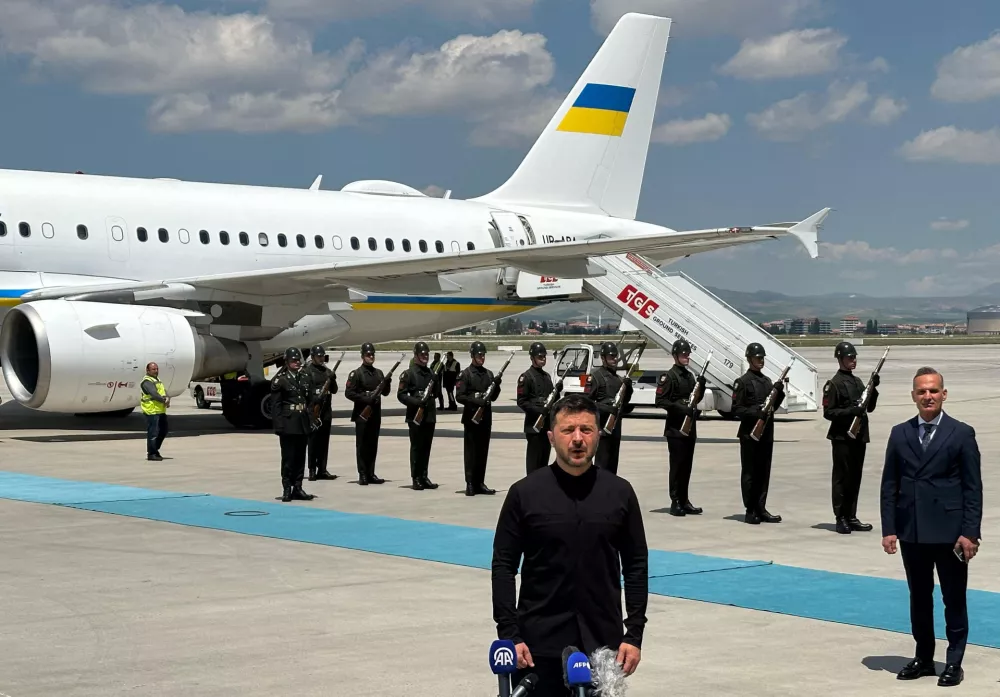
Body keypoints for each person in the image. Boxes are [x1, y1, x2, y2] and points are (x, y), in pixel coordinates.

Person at [491, 393, 649, 697]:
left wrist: (634, 635)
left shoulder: (620, 493)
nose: (578, 439)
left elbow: (636, 566)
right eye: (568, 430)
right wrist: (510, 634)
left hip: (602, 647)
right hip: (538, 647)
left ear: (598, 435)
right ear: (552, 437)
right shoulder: (525, 493)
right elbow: (503, 567)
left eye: (586, 430)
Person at [880, 367, 982, 687]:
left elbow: (972, 488)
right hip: (913, 531)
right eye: (922, 391)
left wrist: (970, 532)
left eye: (933, 391)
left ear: (944, 394)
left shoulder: (961, 433)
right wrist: (889, 528)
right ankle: (924, 657)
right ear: (913, 396)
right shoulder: (900, 433)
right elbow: (889, 484)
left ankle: (954, 662)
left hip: (950, 533)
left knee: (954, 598)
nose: (928, 396)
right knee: (919, 598)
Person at [823, 341, 878, 534]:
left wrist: (874, 388)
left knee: (855, 477)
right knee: (842, 478)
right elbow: (829, 413)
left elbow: (869, 407)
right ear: (840, 359)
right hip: (842, 437)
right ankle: (841, 517)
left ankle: (851, 516)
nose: (854, 360)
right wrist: (850, 412)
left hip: (859, 436)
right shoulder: (834, 384)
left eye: (855, 357)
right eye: (850, 357)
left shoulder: (858, 382)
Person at [731, 342, 784, 524]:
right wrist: (756, 413)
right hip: (749, 434)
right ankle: (750, 509)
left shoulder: (766, 381)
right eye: (757, 358)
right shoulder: (742, 382)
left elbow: (772, 407)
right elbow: (736, 409)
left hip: (766, 433)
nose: (761, 360)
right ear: (749, 359)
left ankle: (761, 508)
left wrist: (779, 393)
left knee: (763, 472)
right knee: (750, 472)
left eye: (762, 358)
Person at [654, 339, 704, 516]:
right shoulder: (669, 376)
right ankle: (675, 501)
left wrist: (702, 386)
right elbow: (660, 401)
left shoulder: (689, 376)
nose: (687, 356)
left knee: (687, 466)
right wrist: (680, 408)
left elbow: (695, 399)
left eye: (688, 354)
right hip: (675, 429)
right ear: (675, 355)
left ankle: (684, 500)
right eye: (683, 354)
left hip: (689, 428)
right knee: (677, 466)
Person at [455, 341, 501, 496]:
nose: (482, 357)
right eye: (479, 355)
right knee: (471, 452)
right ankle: (470, 482)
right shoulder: (465, 374)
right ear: (473, 355)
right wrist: (475, 401)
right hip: (471, 418)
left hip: (485, 418)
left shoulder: (488, 374)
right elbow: (459, 396)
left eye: (483, 355)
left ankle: (480, 482)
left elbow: (493, 397)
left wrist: (497, 385)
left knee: (483, 451)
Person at [271, 347, 316, 502]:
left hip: (302, 423)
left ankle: (298, 487)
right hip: (288, 423)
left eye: (298, 360)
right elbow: (276, 406)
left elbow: (310, 402)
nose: (297, 362)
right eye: (293, 360)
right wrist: (278, 425)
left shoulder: (304, 378)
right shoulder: (280, 380)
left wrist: (311, 420)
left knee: (300, 458)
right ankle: (286, 488)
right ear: (287, 362)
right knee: (288, 459)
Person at [584, 341, 633, 475]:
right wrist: (605, 408)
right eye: (611, 356)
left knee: (613, 463)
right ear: (603, 358)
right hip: (602, 427)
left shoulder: (618, 379)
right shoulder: (595, 377)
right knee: (602, 463)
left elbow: (625, 401)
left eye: (615, 356)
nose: (615, 359)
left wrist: (628, 388)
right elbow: (587, 403)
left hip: (615, 427)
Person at [344, 343, 391, 485]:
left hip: (375, 414)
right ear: (362, 356)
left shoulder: (379, 373)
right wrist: (366, 398)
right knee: (362, 446)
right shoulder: (356, 374)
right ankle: (363, 474)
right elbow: (349, 393)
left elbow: (386, 393)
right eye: (368, 354)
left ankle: (371, 473)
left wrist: (387, 383)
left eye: (372, 354)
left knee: (372, 444)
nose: (371, 357)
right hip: (362, 415)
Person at [397, 341, 440, 490]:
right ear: (415, 355)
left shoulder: (431, 374)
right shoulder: (409, 374)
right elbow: (401, 395)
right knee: (416, 447)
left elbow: (436, 394)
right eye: (422, 354)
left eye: (426, 354)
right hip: (415, 415)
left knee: (426, 447)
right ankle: (416, 478)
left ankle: (424, 476)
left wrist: (437, 381)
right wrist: (416, 402)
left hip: (429, 416)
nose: (425, 356)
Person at [516, 342, 561, 475]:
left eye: (544, 356)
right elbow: (522, 402)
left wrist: (558, 391)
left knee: (543, 461)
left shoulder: (546, 377)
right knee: (534, 462)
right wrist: (538, 410)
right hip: (533, 426)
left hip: (546, 426)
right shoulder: (526, 377)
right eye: (540, 357)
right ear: (532, 358)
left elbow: (553, 399)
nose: (543, 359)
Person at [305, 345, 338, 481]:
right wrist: (314, 399)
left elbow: (334, 390)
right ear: (313, 357)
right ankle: (312, 469)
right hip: (314, 410)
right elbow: (305, 391)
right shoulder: (307, 372)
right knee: (313, 442)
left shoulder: (327, 372)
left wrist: (333, 379)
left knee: (324, 441)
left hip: (326, 411)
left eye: (322, 356)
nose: (321, 358)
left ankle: (322, 469)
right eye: (319, 356)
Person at [140, 362, 170, 461]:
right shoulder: (147, 382)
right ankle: (151, 453)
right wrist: (164, 400)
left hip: (160, 410)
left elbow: (163, 391)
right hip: (151, 410)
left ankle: (155, 449)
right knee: (153, 433)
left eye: (157, 369)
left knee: (163, 430)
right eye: (153, 369)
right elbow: (154, 394)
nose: (156, 371)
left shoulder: (157, 380)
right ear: (147, 370)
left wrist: (167, 398)